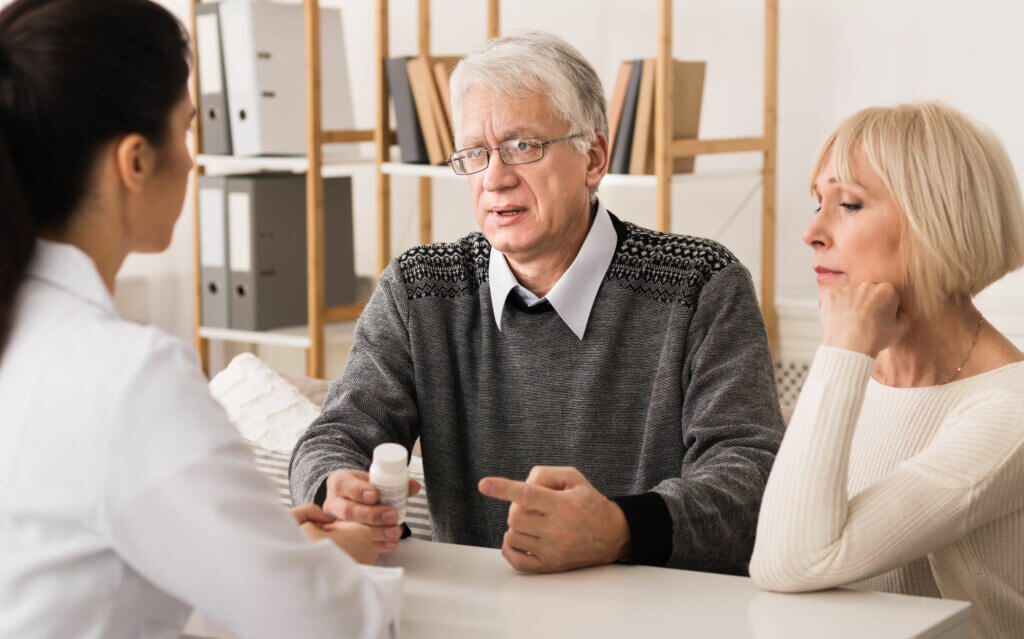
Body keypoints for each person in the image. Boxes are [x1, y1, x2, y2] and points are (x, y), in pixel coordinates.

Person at [290, 31, 784, 574]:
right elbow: (336, 434)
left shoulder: (702, 285)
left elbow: (753, 479)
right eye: (475, 154)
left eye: (523, 147)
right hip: (478, 614)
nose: (495, 179)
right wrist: (336, 487)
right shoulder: (420, 289)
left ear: (593, 158)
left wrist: (619, 529)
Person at [0, 1, 392, 637]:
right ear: (134, 162)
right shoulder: (131, 378)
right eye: (185, 131)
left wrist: (260, 552)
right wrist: (324, 565)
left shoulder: (28, 337)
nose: (191, 159)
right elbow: (320, 623)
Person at [749, 103, 1024, 637]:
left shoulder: (1011, 411)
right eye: (817, 203)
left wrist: (843, 351)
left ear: (936, 225)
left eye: (848, 204)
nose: (811, 232)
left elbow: (787, 564)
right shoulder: (859, 368)